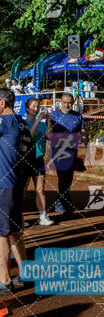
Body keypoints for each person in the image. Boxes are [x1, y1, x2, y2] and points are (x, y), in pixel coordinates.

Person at [0, 87, 35, 293]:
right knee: (14, 231)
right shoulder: (23, 124)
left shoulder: (5, 122)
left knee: (2, 234)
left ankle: (4, 280)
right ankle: (25, 273)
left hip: (4, 185)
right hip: (15, 184)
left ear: (2, 104)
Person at [50, 93, 89, 215]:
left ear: (73, 103)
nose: (67, 105)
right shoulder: (54, 115)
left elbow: (82, 132)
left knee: (69, 178)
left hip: (72, 150)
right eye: (65, 102)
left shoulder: (77, 116)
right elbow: (49, 133)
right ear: (60, 102)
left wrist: (87, 146)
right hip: (58, 150)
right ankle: (61, 202)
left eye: (70, 102)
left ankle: (64, 200)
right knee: (62, 177)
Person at [23, 97, 54, 226]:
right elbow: (29, 136)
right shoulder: (23, 123)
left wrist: (49, 121)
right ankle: (19, 217)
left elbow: (50, 136)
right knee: (22, 189)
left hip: (38, 159)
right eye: (33, 106)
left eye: (38, 106)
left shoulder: (42, 124)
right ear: (27, 109)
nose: (36, 109)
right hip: (25, 159)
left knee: (40, 189)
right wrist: (39, 120)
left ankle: (43, 216)